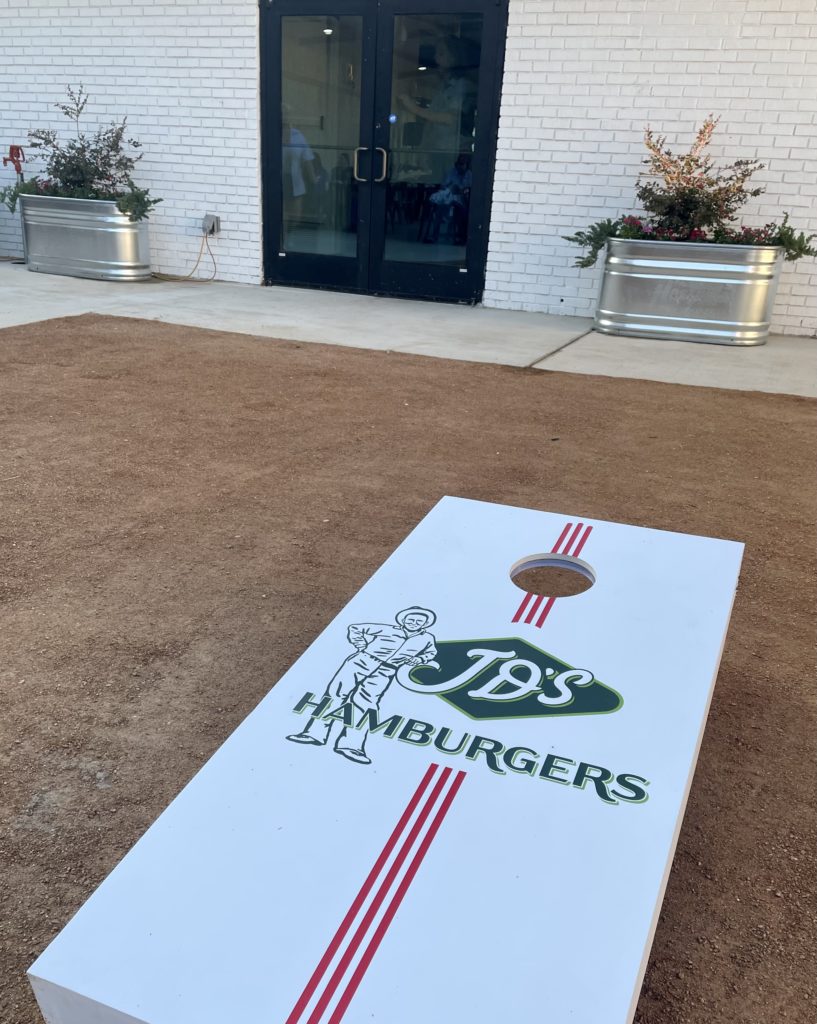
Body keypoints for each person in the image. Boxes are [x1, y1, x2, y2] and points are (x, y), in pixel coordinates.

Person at [287, 607, 438, 765]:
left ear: (425, 623)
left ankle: (351, 746)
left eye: (419, 621)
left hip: (387, 670)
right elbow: (356, 628)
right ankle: (313, 734)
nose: (414, 623)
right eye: (411, 619)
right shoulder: (387, 629)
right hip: (363, 660)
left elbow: (430, 652)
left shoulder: (427, 638)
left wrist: (419, 660)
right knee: (336, 694)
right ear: (403, 619)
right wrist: (361, 646)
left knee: (367, 703)